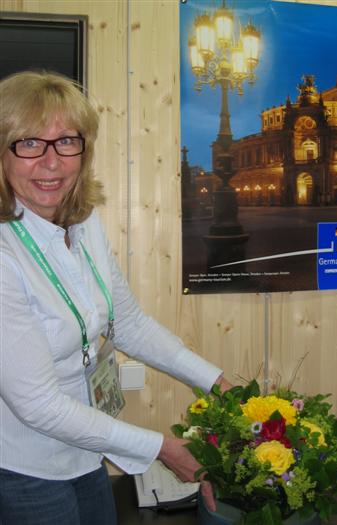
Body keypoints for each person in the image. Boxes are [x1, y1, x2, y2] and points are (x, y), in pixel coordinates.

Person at [0, 70, 232, 525]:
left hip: (86, 450)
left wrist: (219, 382)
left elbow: (128, 323)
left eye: (67, 141)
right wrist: (162, 449)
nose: (52, 162)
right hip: (22, 468)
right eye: (29, 143)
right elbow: (38, 405)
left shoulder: (83, 224)